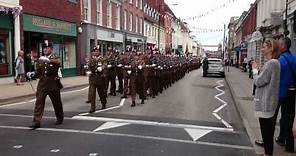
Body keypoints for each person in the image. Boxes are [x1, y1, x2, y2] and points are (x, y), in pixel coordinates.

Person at [252, 39, 281, 156]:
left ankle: (268, 154)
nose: (262, 49)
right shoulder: (274, 63)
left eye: (264, 47)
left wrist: (254, 70)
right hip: (269, 101)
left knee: (267, 133)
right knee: (267, 132)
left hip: (266, 102)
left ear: (271, 48)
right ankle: (267, 153)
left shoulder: (272, 63)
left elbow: (259, 81)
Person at [26, 41, 64, 130]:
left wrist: (49, 60)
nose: (45, 50)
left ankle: (60, 117)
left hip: (53, 84)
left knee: (57, 103)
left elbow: (58, 63)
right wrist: (32, 74)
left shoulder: (55, 57)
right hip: (42, 84)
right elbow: (38, 71)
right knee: (39, 103)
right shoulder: (40, 59)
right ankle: (36, 121)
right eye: (44, 48)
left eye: (47, 48)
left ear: (51, 49)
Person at [273, 37, 296, 152]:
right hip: (292, 92)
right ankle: (289, 145)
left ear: (283, 46)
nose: (278, 46)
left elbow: (276, 78)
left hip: (281, 92)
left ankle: (280, 139)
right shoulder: (294, 58)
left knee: (275, 117)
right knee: (289, 117)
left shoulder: (280, 60)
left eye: (279, 44)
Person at [88, 47, 108, 113]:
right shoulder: (90, 59)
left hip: (100, 77)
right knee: (92, 93)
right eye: (94, 51)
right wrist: (87, 70)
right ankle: (92, 107)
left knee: (101, 93)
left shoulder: (102, 58)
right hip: (93, 78)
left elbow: (105, 65)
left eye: (97, 51)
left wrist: (102, 68)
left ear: (99, 52)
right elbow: (88, 66)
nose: (95, 52)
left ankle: (103, 103)